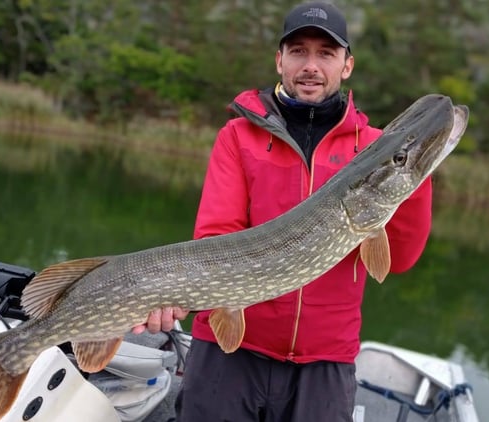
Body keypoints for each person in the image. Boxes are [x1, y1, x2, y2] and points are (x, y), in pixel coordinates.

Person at [132, 2, 433, 421]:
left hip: (325, 361)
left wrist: (413, 176)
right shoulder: (239, 137)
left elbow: (397, 259)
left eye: (326, 54)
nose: (311, 65)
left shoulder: (374, 149)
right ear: (280, 60)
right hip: (230, 352)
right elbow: (216, 239)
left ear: (347, 65)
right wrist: (171, 294)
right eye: (298, 51)